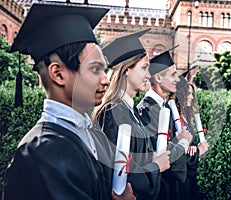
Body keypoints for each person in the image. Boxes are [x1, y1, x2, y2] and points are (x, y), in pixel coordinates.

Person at [2, 3, 135, 200]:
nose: (106, 80)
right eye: (95, 69)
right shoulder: (43, 153)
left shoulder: (86, 134)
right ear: (58, 74)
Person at [92, 29, 170, 200]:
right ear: (127, 69)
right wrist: (156, 166)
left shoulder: (130, 110)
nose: (148, 75)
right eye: (144, 68)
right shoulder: (112, 112)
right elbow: (116, 172)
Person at [137, 48, 193, 200]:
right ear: (158, 78)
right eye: (173, 74)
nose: (177, 79)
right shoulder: (147, 109)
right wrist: (184, 142)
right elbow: (159, 155)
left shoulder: (165, 107)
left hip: (170, 185)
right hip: (160, 186)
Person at [170, 75, 209, 200]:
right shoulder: (171, 117)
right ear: (180, 94)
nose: (192, 97)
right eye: (189, 93)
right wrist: (198, 151)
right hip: (178, 178)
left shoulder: (185, 117)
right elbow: (176, 151)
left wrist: (195, 148)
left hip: (188, 174)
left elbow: (189, 146)